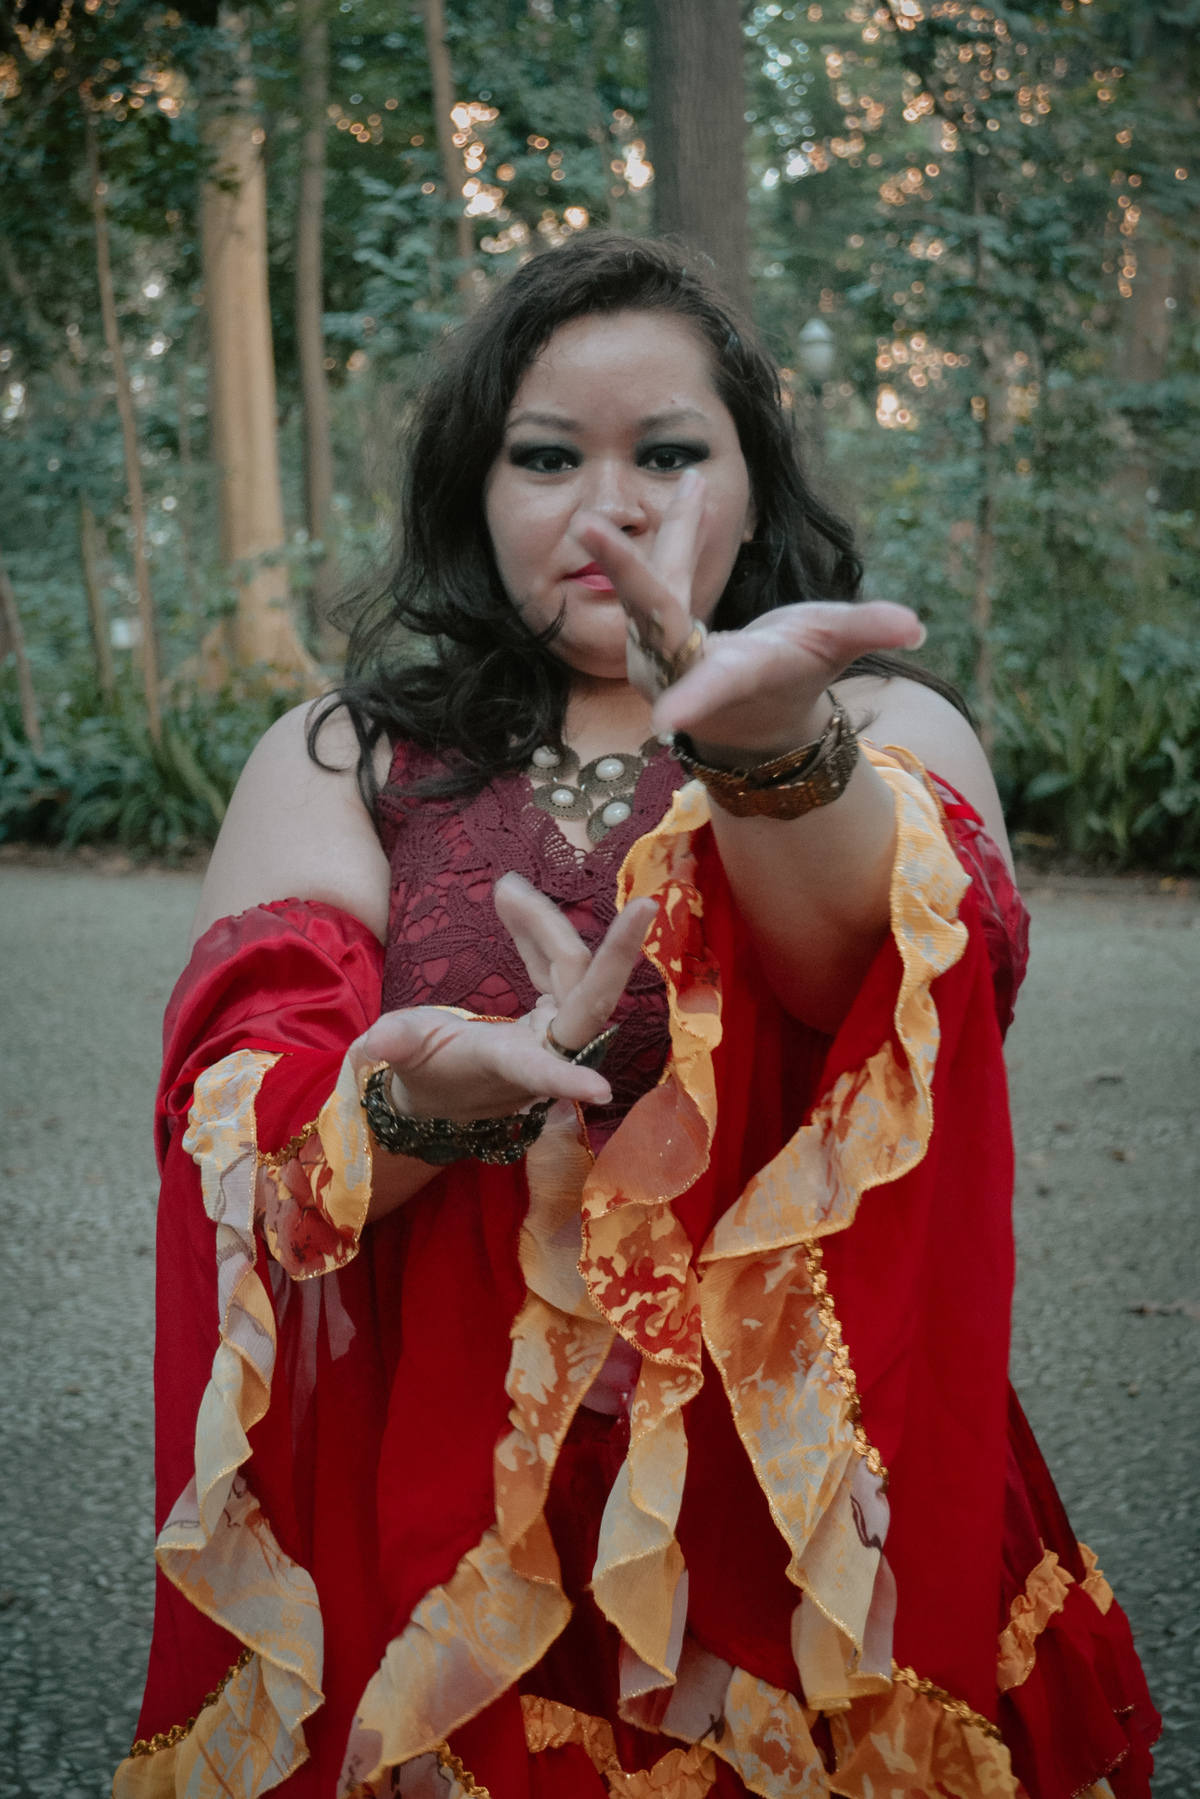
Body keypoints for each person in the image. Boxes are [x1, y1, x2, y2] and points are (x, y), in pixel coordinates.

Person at [114, 235, 1158, 1799]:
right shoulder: (343, 756)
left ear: (752, 484)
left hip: (794, 1502)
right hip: (443, 1511)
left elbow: (867, 986)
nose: (609, 509)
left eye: (668, 454)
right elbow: (243, 1131)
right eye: (548, 458)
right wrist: (420, 1110)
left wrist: (766, 749)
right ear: (475, 488)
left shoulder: (877, 721)